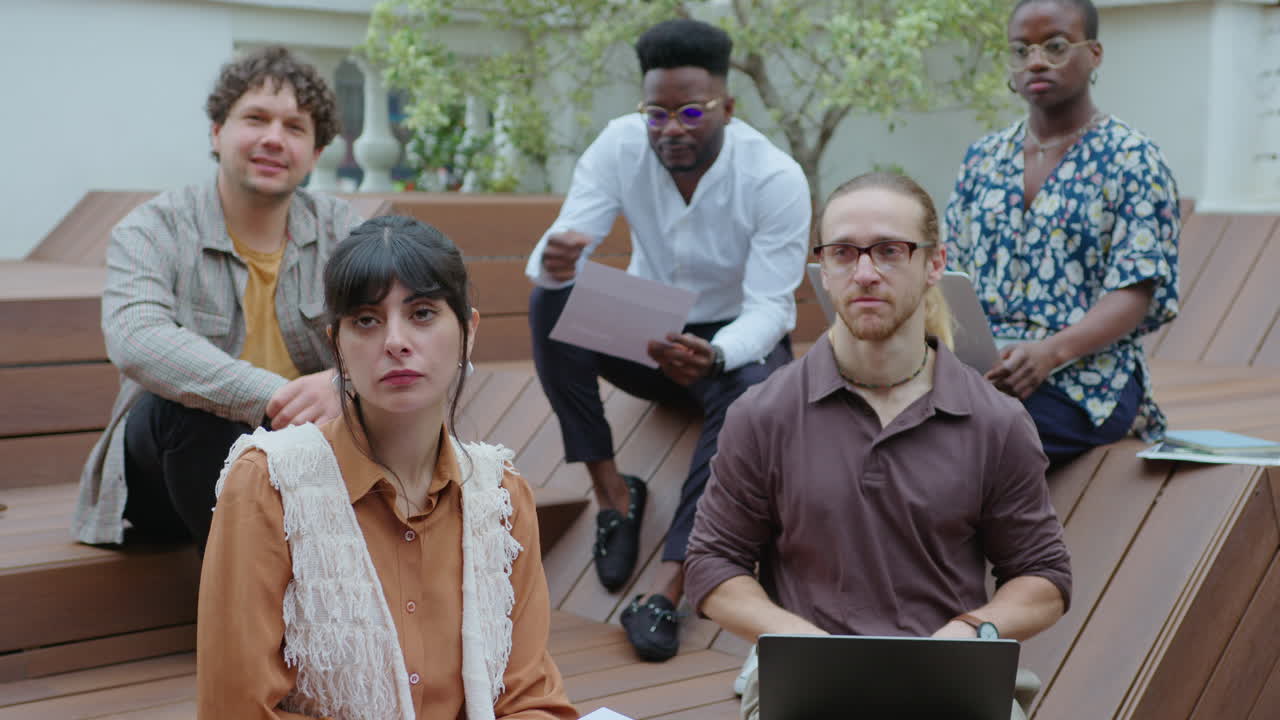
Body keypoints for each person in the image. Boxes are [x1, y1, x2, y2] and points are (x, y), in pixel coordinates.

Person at [684, 172, 1072, 720]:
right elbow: (711, 562)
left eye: (890, 251)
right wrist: (799, 641)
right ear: (822, 267)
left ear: (934, 264)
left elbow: (1043, 577)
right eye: (844, 253)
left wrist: (973, 629)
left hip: (949, 680)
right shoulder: (763, 413)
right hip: (806, 683)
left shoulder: (996, 422)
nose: (865, 273)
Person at [197, 215, 578, 720]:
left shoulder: (502, 496)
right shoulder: (269, 483)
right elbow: (238, 710)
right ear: (337, 347)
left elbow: (528, 696)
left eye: (422, 313)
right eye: (367, 320)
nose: (395, 341)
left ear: (468, 331)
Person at [524, 18, 810, 663]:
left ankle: (668, 586)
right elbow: (561, 247)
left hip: (735, 338)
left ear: (727, 108)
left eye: (689, 112)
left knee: (751, 404)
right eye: (656, 113)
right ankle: (614, 497)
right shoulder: (621, 145)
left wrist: (716, 355)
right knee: (550, 300)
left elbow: (770, 307)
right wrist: (558, 262)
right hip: (648, 323)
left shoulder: (775, 177)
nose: (671, 129)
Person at [72, 47, 363, 549]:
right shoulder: (153, 228)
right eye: (255, 118)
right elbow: (136, 336)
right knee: (180, 410)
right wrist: (274, 397)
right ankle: (265, 599)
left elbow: (412, 327)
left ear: (315, 154)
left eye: (295, 128)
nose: (274, 138)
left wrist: (342, 382)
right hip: (170, 475)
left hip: (313, 462)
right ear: (216, 132)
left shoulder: (344, 233)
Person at [945, 0, 1180, 467]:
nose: (1036, 60)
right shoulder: (983, 159)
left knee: (968, 442)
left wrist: (1050, 354)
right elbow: (951, 274)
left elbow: (1136, 288)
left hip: (1088, 379)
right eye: (1021, 49)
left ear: (1094, 54)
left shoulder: (1131, 159)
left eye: (1055, 46)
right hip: (983, 373)